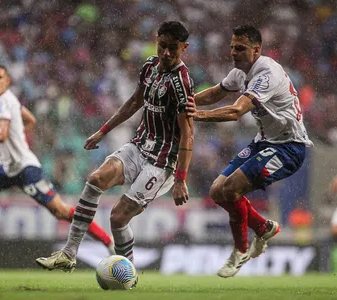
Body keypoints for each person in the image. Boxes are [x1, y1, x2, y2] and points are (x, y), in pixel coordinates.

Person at [35, 21, 194, 273]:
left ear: (184, 48)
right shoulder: (150, 66)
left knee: (118, 218)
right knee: (96, 179)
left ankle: (127, 272)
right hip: (139, 145)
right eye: (162, 46)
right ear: (156, 40)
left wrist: (181, 179)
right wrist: (103, 131)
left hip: (161, 162)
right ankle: (68, 254)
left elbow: (188, 134)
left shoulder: (182, 82)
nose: (165, 53)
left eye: (172, 49)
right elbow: (133, 102)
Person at [186, 25, 313, 278]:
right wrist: (185, 99)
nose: (233, 52)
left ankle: (240, 250)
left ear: (257, 50)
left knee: (231, 189)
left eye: (240, 48)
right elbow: (215, 93)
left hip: (289, 147)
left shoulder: (266, 73)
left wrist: (194, 115)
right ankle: (263, 226)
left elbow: (235, 112)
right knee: (216, 192)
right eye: (232, 46)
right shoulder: (239, 72)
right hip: (264, 142)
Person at [0, 64, 115, 263]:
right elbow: (30, 120)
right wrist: (7, 142)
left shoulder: (2, 104)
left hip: (25, 169)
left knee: (61, 211)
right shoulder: (10, 100)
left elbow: (2, 133)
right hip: (8, 168)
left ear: (7, 81)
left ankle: (108, 241)